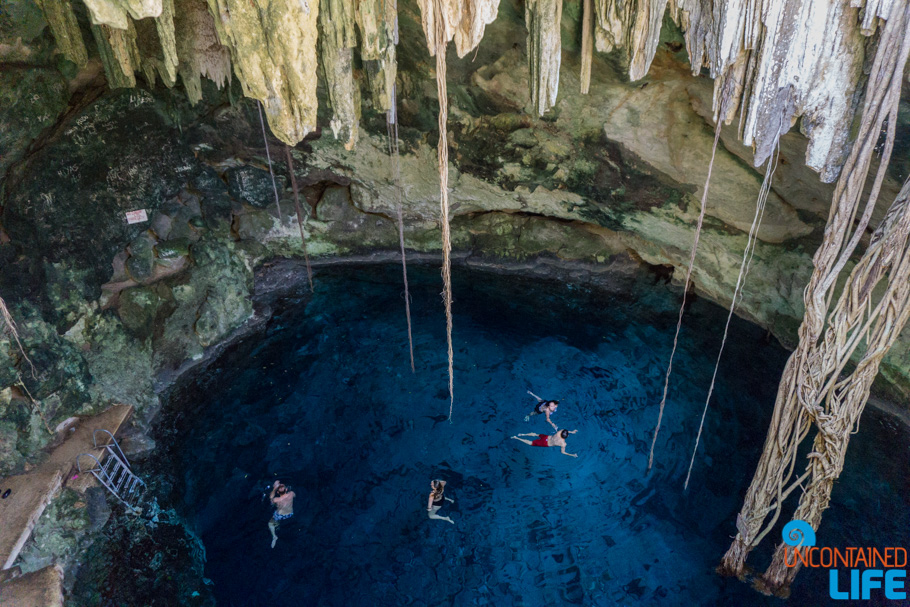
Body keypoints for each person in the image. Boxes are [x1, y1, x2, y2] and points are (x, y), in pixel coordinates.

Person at [512, 429, 578, 457]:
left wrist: (571, 431)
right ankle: (516, 438)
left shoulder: (559, 432)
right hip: (545, 444)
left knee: (536, 434)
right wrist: (572, 455)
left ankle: (523, 434)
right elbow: (563, 452)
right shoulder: (563, 444)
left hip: (546, 437)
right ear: (566, 437)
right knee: (531, 443)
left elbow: (565, 431)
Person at [268, 480, 295, 548]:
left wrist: (274, 488)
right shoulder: (291, 494)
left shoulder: (276, 499)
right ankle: (278, 525)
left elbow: (271, 498)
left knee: (270, 523)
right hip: (290, 514)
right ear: (286, 489)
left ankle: (274, 536)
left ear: (277, 492)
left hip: (279, 516)